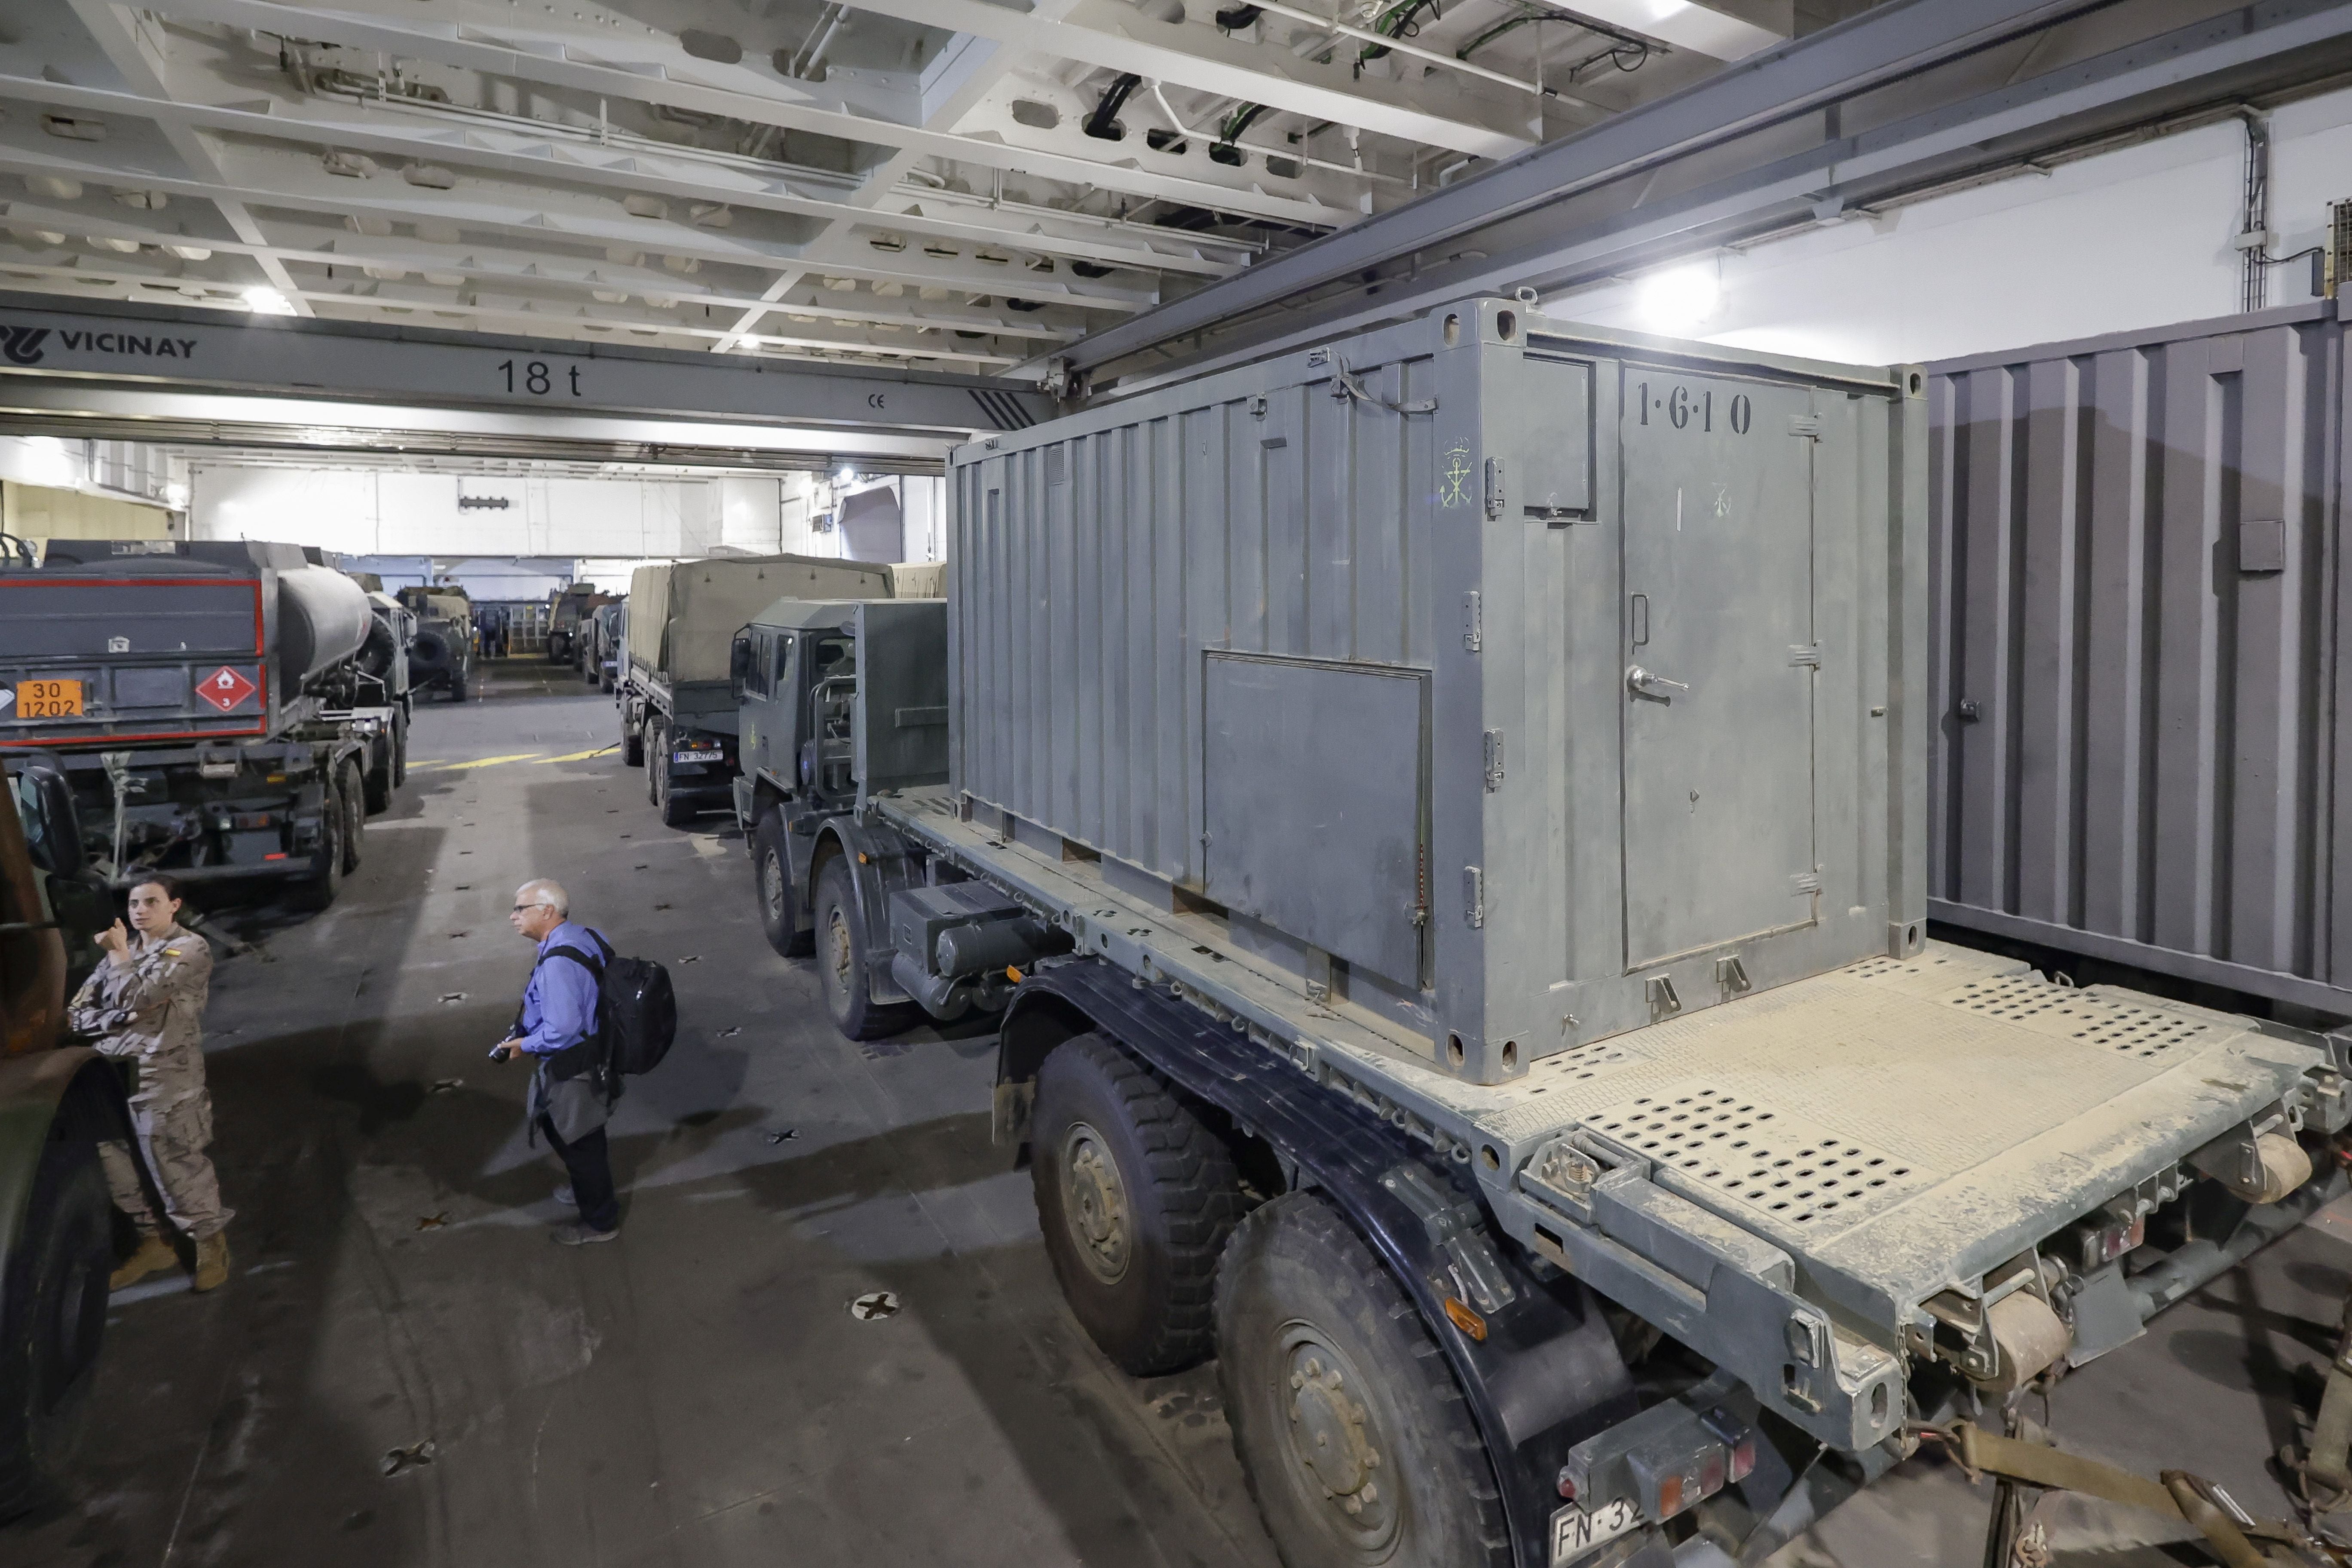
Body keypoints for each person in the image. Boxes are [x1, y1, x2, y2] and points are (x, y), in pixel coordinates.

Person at [71, 875, 234, 1292]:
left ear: (174, 905)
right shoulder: (121, 954)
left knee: (173, 1161)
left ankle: (210, 1245)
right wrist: (114, 1019)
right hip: (113, 1071)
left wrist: (121, 957)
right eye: (133, 904)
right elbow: (76, 1014)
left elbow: (138, 999)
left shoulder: (189, 949)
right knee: (116, 1159)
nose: (139, 911)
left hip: (165, 1073)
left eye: (150, 902)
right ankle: (155, 1240)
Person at [492, 879, 621, 1243]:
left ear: (547, 911)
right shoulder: (586, 935)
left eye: (521, 908)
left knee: (581, 1143)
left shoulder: (558, 963)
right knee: (569, 1130)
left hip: (574, 1064)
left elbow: (564, 1027)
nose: (513, 916)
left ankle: (600, 1222)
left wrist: (526, 1045)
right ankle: (586, 1189)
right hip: (596, 1053)